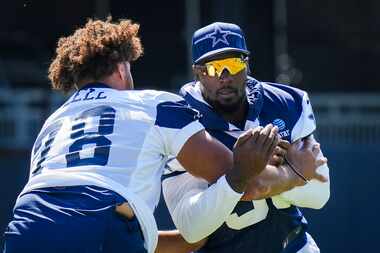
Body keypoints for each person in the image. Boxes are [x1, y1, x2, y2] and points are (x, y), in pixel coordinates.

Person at [2, 19, 281, 253]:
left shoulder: (53, 122)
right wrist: (289, 172)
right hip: (102, 221)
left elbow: (65, 219)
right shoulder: (153, 104)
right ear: (122, 68)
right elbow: (235, 174)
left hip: (26, 225)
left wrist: (181, 240)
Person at [162, 22, 331, 253]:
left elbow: (320, 193)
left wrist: (259, 182)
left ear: (246, 64)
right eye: (213, 68)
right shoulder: (179, 121)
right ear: (198, 72)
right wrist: (282, 175)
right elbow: (192, 227)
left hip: (293, 246)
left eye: (232, 64)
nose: (224, 76)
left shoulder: (286, 102)